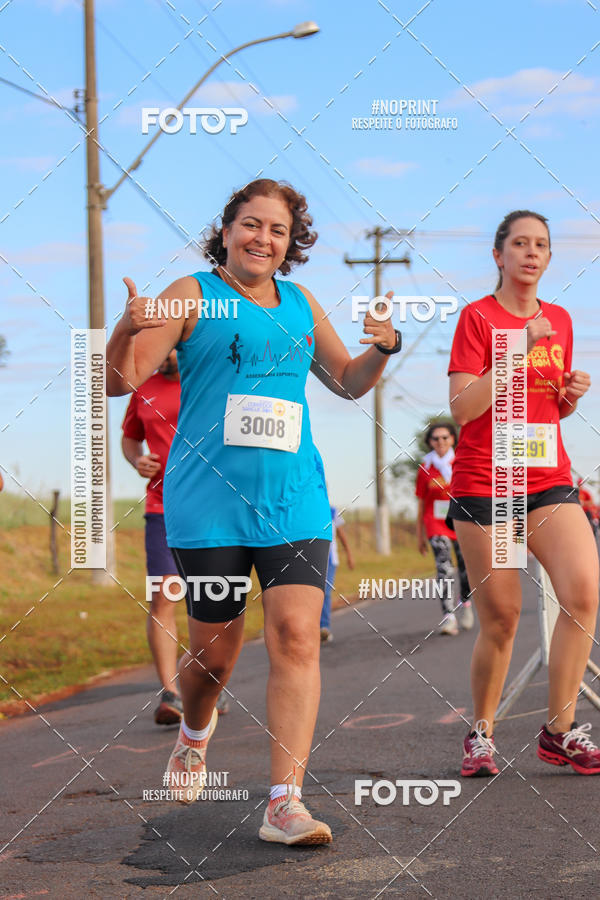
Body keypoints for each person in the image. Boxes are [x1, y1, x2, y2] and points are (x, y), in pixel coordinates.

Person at [106, 178, 400, 844]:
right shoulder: (190, 294)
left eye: (278, 230)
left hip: (293, 500)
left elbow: (347, 381)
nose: (263, 238)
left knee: (296, 636)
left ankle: (284, 803)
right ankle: (193, 732)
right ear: (227, 229)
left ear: (292, 243)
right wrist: (126, 327)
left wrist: (383, 348)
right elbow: (119, 381)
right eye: (252, 224)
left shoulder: (301, 303)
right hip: (208, 505)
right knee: (215, 658)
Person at [447, 209, 600, 777]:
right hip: (488, 483)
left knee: (583, 593)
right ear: (499, 255)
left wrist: (571, 395)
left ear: (549, 258)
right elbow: (463, 408)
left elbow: (549, 406)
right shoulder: (477, 318)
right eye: (520, 243)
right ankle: (481, 733)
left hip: (547, 479)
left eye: (541, 245)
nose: (531, 253)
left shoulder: (559, 319)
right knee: (503, 617)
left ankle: (559, 730)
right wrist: (515, 348)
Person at [121, 351, 183, 724]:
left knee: (213, 597)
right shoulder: (142, 388)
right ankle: (171, 693)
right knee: (163, 596)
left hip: (212, 507)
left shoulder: (209, 375)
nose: (159, 353)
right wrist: (137, 460)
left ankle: (209, 681)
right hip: (161, 507)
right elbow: (131, 439)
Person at [415, 422, 473, 636]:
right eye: (435, 438)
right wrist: (420, 535)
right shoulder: (425, 468)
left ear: (452, 439)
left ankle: (465, 602)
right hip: (435, 523)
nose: (440, 442)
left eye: (445, 437)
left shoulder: (462, 462)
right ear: (429, 442)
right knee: (444, 568)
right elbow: (421, 503)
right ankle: (449, 616)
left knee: (465, 568)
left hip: (460, 521)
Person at [319, 505, 354, 643]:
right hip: (311, 559)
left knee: (325, 592)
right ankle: (312, 627)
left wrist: (349, 555)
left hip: (330, 559)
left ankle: (324, 627)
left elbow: (341, 535)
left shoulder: (332, 511)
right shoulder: (308, 508)